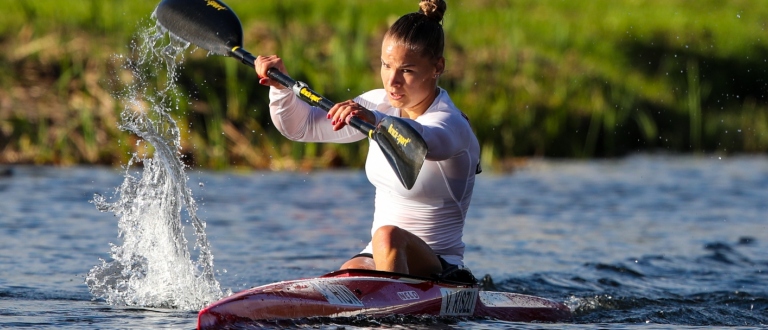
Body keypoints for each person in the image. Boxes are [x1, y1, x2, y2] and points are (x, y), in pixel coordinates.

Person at [254, 0, 480, 282]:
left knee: (386, 235)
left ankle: (393, 310)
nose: (392, 81)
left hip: (441, 268)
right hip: (377, 257)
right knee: (348, 272)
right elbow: (302, 127)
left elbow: (429, 142)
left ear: (438, 67)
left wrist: (376, 120)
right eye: (386, 66)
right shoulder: (379, 104)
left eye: (407, 70)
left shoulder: (452, 123)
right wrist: (281, 88)